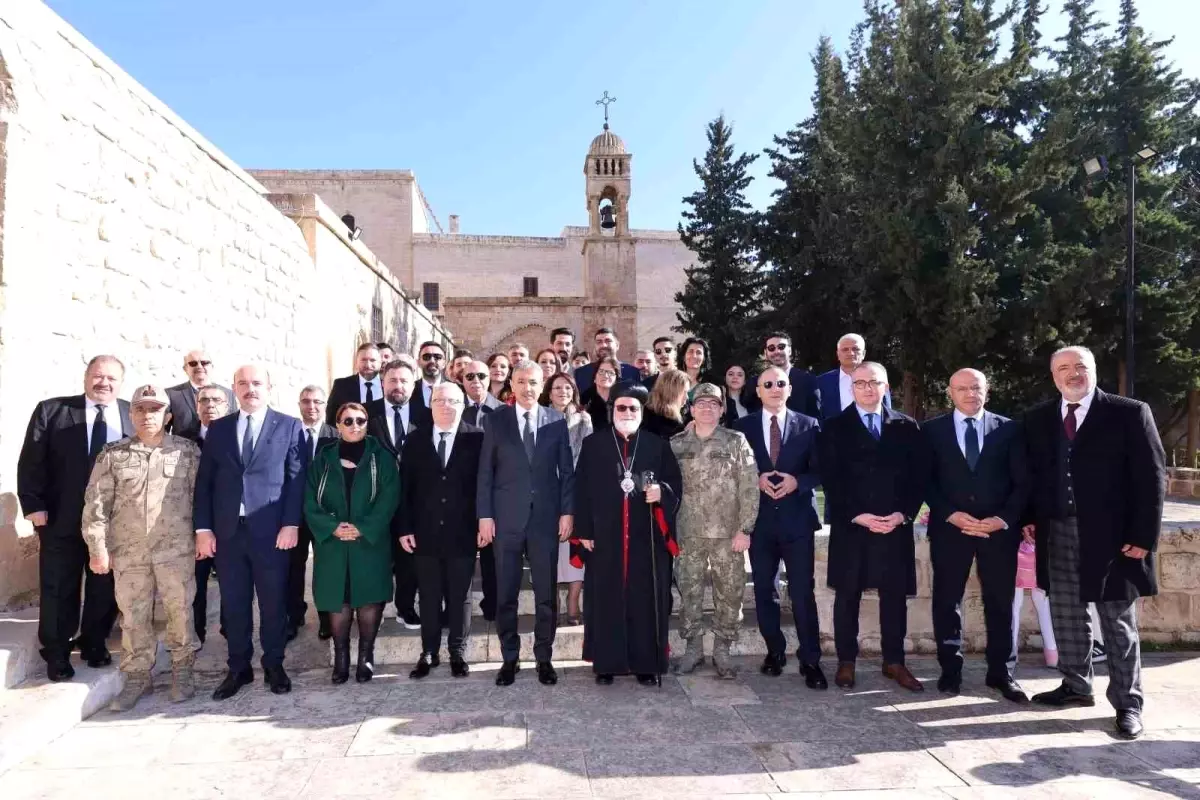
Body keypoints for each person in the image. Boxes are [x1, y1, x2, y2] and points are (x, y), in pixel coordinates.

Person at [1023, 345, 1166, 740]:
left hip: (1114, 537)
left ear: (1093, 370)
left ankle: (1128, 703)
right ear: (1053, 375)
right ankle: (1076, 686)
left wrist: (1142, 537)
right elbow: (1033, 476)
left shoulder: (1128, 412)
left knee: (1117, 621)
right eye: (1064, 368)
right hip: (1057, 531)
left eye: (1080, 366)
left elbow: (1152, 478)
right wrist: (1028, 520)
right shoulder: (1037, 418)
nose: (1073, 373)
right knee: (1067, 613)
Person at [82, 384, 201, 710]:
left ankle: (183, 669)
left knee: (180, 611)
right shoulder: (114, 455)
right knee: (133, 616)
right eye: (141, 409)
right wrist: (97, 548)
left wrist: (204, 535)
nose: (148, 415)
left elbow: (201, 501)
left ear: (168, 415)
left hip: (175, 550)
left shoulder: (187, 453)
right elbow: (95, 505)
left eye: (155, 409)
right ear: (131, 414)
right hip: (129, 552)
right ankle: (137, 676)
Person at [194, 364, 308, 700]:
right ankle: (238, 668)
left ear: (269, 387)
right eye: (243, 383)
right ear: (234, 388)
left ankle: (274, 664)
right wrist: (204, 529)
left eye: (257, 383)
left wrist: (291, 523)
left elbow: (296, 479)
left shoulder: (288, 426)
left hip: (272, 532)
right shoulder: (219, 429)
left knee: (273, 603)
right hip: (229, 533)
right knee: (234, 604)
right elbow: (205, 483)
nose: (250, 389)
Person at [18, 355, 129, 681]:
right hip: (60, 518)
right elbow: (31, 460)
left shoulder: (129, 414)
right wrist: (33, 505)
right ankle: (57, 652)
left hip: (112, 522)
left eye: (111, 378)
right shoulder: (52, 411)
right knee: (58, 586)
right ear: (86, 377)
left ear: (121, 382)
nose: (103, 383)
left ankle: (94, 642)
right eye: (97, 376)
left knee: (104, 586)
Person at [819, 362, 928, 692]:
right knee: (847, 596)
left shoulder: (907, 427)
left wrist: (902, 514)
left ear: (886, 387)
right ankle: (846, 662)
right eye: (861, 383)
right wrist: (858, 515)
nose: (867, 388)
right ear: (852, 389)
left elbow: (918, 478)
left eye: (874, 382)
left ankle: (894, 662)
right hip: (853, 526)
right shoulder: (835, 427)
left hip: (894, 527)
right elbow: (831, 481)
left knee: (894, 597)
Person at [924, 368, 1030, 702]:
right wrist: (950, 514)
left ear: (987, 391)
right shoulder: (931, 431)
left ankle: (1002, 673)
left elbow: (1024, 482)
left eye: (977, 388)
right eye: (963, 389)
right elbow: (925, 480)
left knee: (1000, 603)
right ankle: (950, 672)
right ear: (950, 392)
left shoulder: (1010, 429)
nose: (970, 394)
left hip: (997, 533)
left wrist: (1002, 519)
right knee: (946, 602)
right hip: (950, 530)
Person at [574, 383, 681, 685]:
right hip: (604, 536)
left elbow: (674, 483)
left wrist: (662, 491)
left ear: (641, 411)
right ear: (612, 411)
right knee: (605, 598)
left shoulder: (657, 444)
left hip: (645, 536)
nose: (627, 412)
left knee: (645, 598)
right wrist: (583, 530)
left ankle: (646, 664)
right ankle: (606, 663)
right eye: (621, 407)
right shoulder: (594, 444)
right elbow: (580, 487)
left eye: (633, 408)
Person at [476, 360, 575, 687]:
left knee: (546, 593)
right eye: (521, 382)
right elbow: (485, 474)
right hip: (505, 520)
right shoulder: (495, 421)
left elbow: (567, 473)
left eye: (533, 382)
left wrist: (566, 512)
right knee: (506, 592)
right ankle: (509, 657)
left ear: (541, 384)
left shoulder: (556, 420)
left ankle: (544, 657)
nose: (528, 388)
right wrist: (485, 515)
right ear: (512, 385)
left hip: (545, 520)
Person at [734, 366, 826, 688]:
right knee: (764, 591)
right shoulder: (741, 427)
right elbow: (734, 473)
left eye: (781, 383)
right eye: (767, 384)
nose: (775, 388)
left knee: (802, 592)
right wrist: (754, 478)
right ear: (758, 391)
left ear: (789, 389)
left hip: (797, 521)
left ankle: (811, 660)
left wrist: (797, 481)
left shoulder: (809, 425)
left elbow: (822, 471)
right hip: (759, 523)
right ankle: (775, 652)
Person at [304, 401, 399, 684]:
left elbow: (390, 496)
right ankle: (341, 659)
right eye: (348, 421)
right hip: (332, 543)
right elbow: (309, 499)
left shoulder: (380, 457)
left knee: (369, 599)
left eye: (360, 420)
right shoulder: (323, 458)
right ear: (338, 425)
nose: (355, 426)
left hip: (369, 542)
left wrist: (363, 528)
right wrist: (332, 528)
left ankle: (366, 658)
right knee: (338, 600)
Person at [671, 384, 758, 678]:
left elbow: (749, 487)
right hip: (688, 533)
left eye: (713, 404)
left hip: (727, 534)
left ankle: (722, 649)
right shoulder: (676, 444)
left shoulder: (736, 441)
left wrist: (745, 529)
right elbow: (669, 490)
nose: (707, 408)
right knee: (689, 592)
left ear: (722, 410)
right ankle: (693, 648)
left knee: (730, 593)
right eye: (701, 403)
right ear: (691, 409)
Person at [398, 383, 483, 679]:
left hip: (464, 531)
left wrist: (483, 522)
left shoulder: (478, 439)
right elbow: (404, 488)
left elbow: (484, 488)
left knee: (460, 595)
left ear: (463, 405)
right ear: (430, 404)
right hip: (424, 532)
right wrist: (405, 527)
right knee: (430, 594)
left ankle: (457, 652)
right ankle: (429, 652)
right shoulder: (415, 440)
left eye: (452, 400)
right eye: (440, 400)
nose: (446, 405)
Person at [366, 359, 422, 629]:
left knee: (408, 558)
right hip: (376, 500)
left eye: (404, 381)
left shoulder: (426, 413)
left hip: (413, 499)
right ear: (382, 383)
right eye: (392, 380)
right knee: (375, 557)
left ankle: (406, 607)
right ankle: (371, 609)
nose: (398, 386)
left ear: (413, 384)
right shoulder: (366, 413)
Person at [542, 372, 593, 625]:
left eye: (567, 388)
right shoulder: (540, 417)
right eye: (557, 388)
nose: (563, 392)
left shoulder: (584, 419)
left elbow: (589, 455)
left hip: (576, 490)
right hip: (546, 492)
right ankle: (550, 601)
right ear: (549, 392)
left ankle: (573, 601)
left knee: (574, 548)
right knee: (547, 550)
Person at [291, 386, 338, 642]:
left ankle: (325, 618)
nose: (312, 407)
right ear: (299, 404)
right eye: (306, 401)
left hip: (325, 515)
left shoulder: (336, 435)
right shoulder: (287, 434)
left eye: (317, 402)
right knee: (293, 568)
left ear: (325, 404)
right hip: (294, 515)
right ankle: (294, 615)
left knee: (325, 568)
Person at [192, 385, 234, 647]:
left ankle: (232, 630)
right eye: (203, 400)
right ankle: (195, 634)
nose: (210, 405)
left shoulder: (239, 435)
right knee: (195, 585)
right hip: (197, 527)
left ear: (227, 406)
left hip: (231, 525)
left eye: (216, 400)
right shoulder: (183, 440)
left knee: (233, 582)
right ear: (197, 407)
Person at [815, 333, 892, 420]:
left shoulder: (878, 379)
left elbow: (887, 412)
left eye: (855, 349)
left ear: (863, 353)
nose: (851, 353)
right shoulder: (822, 382)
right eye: (845, 349)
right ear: (838, 354)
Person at [745, 332, 821, 419]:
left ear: (789, 350)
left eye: (781, 347)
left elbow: (816, 417)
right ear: (766, 353)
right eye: (771, 348)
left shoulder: (808, 380)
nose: (777, 351)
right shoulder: (754, 383)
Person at [166, 350, 235, 440]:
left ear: (212, 367)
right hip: (183, 452)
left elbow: (234, 427)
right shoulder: (171, 395)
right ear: (185, 369)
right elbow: (163, 431)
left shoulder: (229, 394)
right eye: (193, 363)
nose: (199, 366)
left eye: (204, 363)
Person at [1014, 538, 1058, 668]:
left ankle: (1010, 651)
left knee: (1014, 603)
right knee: (1043, 601)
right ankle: (1052, 652)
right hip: (1042, 543)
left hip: (1015, 543)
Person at [326, 343, 383, 425]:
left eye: (372, 360)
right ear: (356, 362)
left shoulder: (388, 386)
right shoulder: (341, 385)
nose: (368, 365)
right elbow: (331, 419)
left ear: (380, 362)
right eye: (363, 360)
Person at [573, 327, 642, 394]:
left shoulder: (632, 372)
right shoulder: (581, 373)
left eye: (608, 341)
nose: (603, 345)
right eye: (599, 342)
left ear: (617, 345)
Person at [642, 369, 691, 439]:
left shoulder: (686, 412)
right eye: (684, 392)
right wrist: (685, 433)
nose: (687, 397)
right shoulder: (649, 420)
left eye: (687, 392)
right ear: (671, 393)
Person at [409, 341, 447, 423]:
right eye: (426, 357)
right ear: (418, 362)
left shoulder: (455, 390)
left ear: (444, 363)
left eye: (438, 357)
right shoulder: (409, 390)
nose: (432, 361)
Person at [581, 355, 620, 432]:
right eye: (601, 371)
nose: (605, 376)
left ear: (616, 378)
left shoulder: (622, 398)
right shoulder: (584, 399)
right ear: (594, 376)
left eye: (610, 373)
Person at [462, 360, 503, 426]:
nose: (476, 380)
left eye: (481, 376)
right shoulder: (450, 409)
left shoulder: (504, 411)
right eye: (470, 376)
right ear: (463, 380)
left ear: (489, 379)